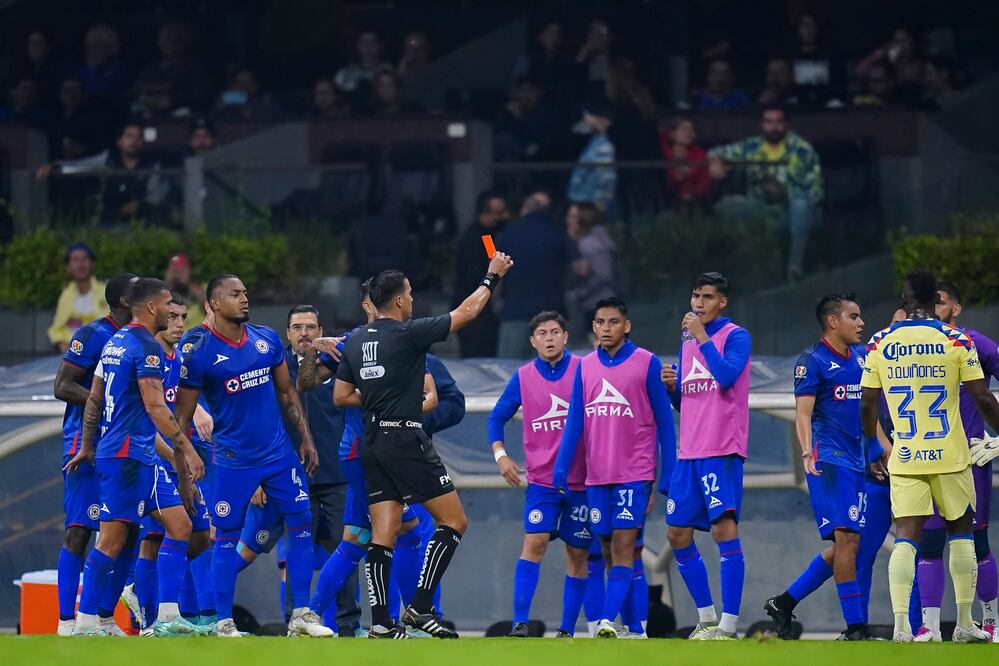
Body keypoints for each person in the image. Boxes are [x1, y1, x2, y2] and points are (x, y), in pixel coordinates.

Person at [333, 253, 514, 638]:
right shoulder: (407, 332)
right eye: (410, 294)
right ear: (397, 300)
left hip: (372, 441)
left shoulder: (355, 340)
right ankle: (418, 607)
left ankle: (381, 623)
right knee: (455, 521)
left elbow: (341, 395)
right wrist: (491, 277)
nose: (412, 300)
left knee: (384, 532)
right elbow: (466, 312)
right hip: (404, 438)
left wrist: (382, 396)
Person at [174, 274, 330, 638]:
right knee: (226, 537)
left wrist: (305, 440)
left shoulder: (265, 339)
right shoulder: (198, 350)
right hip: (233, 459)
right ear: (213, 304)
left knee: (302, 524)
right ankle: (223, 620)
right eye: (235, 294)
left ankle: (302, 616)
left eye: (246, 292)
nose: (245, 299)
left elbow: (289, 394)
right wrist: (183, 467)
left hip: (278, 454)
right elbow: (181, 416)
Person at [859, 268, 999, 643]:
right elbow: (984, 397)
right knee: (961, 533)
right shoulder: (956, 340)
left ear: (906, 300)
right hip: (952, 455)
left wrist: (875, 447)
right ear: (933, 300)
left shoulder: (879, 343)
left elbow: (868, 403)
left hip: (905, 455)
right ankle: (966, 624)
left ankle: (903, 627)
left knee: (906, 537)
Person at [63, 278, 203, 636]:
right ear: (153, 307)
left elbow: (94, 399)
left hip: (129, 452)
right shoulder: (145, 346)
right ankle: (84, 622)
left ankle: (163, 617)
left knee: (179, 525)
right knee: (111, 539)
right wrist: (185, 451)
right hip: (129, 454)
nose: (173, 310)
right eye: (169, 304)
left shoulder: (114, 343)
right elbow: (156, 407)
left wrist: (88, 445)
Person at [553, 297, 676, 638]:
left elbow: (665, 422)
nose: (606, 328)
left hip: (634, 475)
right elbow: (575, 420)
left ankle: (606, 621)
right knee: (607, 550)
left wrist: (668, 473)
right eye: (600, 323)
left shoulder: (646, 362)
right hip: (597, 477)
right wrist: (562, 468)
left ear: (627, 326)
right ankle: (633, 629)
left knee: (624, 546)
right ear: (593, 327)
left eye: (613, 322)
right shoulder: (585, 366)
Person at [765, 294, 875, 640]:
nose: (861, 323)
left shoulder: (861, 357)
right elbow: (803, 413)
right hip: (827, 460)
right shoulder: (811, 361)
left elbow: (868, 413)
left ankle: (784, 602)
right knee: (848, 540)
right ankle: (855, 628)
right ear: (833, 322)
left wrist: (880, 449)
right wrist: (806, 451)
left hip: (856, 461)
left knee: (849, 545)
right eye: (854, 317)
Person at [488, 311, 589, 636]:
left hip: (583, 482)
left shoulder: (584, 370)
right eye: (542, 333)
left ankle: (567, 630)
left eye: (554, 331)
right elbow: (495, 418)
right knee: (534, 543)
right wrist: (501, 456)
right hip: (542, 483)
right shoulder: (523, 376)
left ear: (565, 336)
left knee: (578, 553)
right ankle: (520, 623)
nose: (549, 338)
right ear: (532, 341)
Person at [662, 272, 751, 640]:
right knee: (677, 533)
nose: (698, 303)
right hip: (690, 450)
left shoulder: (736, 336)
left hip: (721, 447)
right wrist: (671, 389)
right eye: (695, 295)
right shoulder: (688, 338)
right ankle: (706, 617)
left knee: (722, 529)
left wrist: (702, 338)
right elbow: (689, 401)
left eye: (708, 297)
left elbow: (727, 376)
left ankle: (729, 625)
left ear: (723, 302)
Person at [910, 281, 999, 641]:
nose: (935, 309)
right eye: (931, 303)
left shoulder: (976, 343)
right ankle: (930, 627)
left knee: (978, 544)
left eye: (941, 303)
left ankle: (990, 621)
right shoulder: (914, 347)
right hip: (928, 459)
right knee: (930, 544)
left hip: (969, 461)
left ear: (956, 310)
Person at [51, 272, 136, 635]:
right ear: (124, 302)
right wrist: (102, 401)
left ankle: (102, 617)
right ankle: (66, 622)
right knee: (81, 531)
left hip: (123, 446)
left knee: (126, 531)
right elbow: (62, 384)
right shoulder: (92, 334)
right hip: (85, 443)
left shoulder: (139, 339)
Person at [129, 294, 213, 636]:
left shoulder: (175, 357)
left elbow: (174, 405)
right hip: (147, 457)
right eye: (173, 316)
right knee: (172, 530)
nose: (179, 324)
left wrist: (199, 412)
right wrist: (182, 455)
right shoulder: (148, 356)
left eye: (183, 317)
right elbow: (149, 420)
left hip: (169, 456)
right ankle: (156, 616)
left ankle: (155, 606)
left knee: (196, 532)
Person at [708, 105, 823, 282]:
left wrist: (786, 194)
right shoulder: (752, 147)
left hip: (792, 213)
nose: (774, 127)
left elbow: (816, 191)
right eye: (769, 122)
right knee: (725, 205)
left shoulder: (802, 150)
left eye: (778, 122)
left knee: (800, 204)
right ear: (762, 124)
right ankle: (731, 272)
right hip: (761, 209)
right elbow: (716, 152)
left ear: (786, 124)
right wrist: (715, 160)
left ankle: (794, 266)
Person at [496, 192, 570, 359]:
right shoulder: (557, 235)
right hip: (551, 312)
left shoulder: (509, 234)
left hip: (515, 310)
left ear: (525, 209)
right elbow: (573, 269)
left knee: (508, 368)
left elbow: (496, 269)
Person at [452, 190, 509, 358]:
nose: (503, 217)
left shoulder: (486, 236)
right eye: (498, 213)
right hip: (475, 310)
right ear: (486, 213)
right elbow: (490, 266)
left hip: (480, 308)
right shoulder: (482, 237)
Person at [565, 203, 615, 344]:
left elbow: (603, 274)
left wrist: (579, 293)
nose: (568, 220)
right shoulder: (595, 241)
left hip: (595, 305)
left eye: (573, 216)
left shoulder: (589, 244)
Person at [48, 243, 108, 353]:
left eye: (84, 259)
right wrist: (61, 344)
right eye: (75, 260)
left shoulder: (105, 292)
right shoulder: (66, 295)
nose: (80, 264)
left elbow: (110, 327)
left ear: (92, 264)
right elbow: (56, 328)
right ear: (68, 267)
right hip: (68, 354)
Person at [567, 100, 616, 209]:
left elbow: (605, 179)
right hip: (583, 200)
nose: (585, 120)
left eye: (587, 116)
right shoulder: (591, 143)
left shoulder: (604, 147)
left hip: (594, 204)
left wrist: (599, 204)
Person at [658, 117, 710, 206]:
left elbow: (703, 184)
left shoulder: (700, 154)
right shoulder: (662, 150)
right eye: (683, 129)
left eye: (692, 130)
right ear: (672, 133)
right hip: (664, 199)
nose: (689, 133)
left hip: (694, 200)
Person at [334, 30, 392, 104]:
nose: (368, 47)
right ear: (358, 46)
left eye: (372, 43)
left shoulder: (388, 69)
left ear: (380, 45)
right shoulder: (346, 72)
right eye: (364, 43)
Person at [164, 253, 205, 329]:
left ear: (189, 270)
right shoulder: (163, 292)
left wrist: (190, 286)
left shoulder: (200, 289)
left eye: (182, 270)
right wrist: (167, 284)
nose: (178, 274)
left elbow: (214, 313)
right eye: (175, 270)